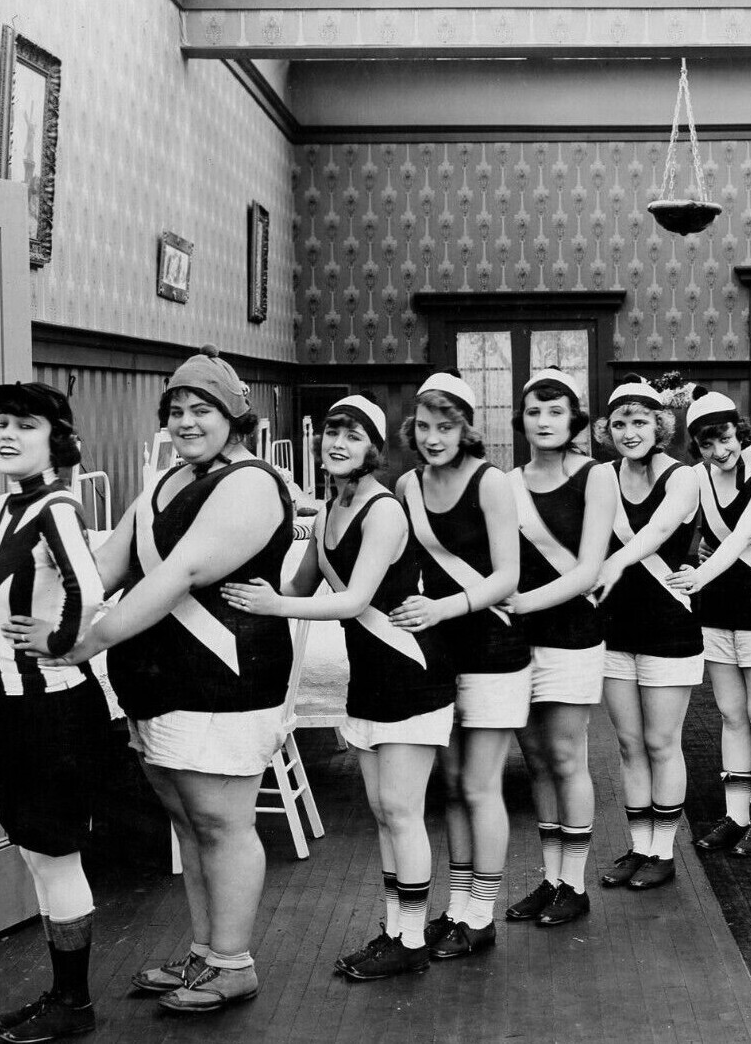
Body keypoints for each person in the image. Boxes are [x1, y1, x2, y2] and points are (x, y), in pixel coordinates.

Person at [32, 346, 294, 1015]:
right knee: (188, 821)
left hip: (225, 680)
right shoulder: (167, 483)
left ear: (233, 416)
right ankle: (206, 953)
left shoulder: (252, 482)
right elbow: (106, 566)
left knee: (222, 823)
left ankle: (234, 963)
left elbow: (182, 574)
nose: (185, 421)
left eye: (201, 409)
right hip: (159, 683)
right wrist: (50, 589)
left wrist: (90, 640)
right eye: (175, 410)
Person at [222, 395, 455, 980]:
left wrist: (274, 606)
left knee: (402, 811)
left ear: (373, 448)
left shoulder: (384, 510)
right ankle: (395, 930)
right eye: (331, 432)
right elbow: (296, 586)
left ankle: (412, 939)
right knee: (383, 813)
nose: (338, 443)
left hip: (410, 674)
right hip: (368, 680)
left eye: (352, 434)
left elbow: (352, 600)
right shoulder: (327, 511)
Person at [0, 381, 106, 1043]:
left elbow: (90, 589)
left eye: (25, 425)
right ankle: (61, 993)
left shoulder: (56, 506)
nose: (7, 434)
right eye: (0, 423)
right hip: (11, 703)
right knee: (35, 851)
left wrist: (57, 642)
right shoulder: (2, 507)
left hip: (54, 709)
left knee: (55, 855)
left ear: (56, 439)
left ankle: (74, 1003)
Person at [391, 371, 525, 955]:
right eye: (424, 426)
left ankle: (482, 915)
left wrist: (442, 608)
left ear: (466, 429)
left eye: (445, 427)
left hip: (495, 649)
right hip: (439, 652)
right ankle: (456, 907)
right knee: (449, 786)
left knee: (479, 784)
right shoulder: (406, 485)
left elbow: (508, 576)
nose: (433, 438)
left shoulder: (491, 482)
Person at [505, 368, 616, 926]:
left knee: (568, 757)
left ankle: (574, 884)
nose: (544, 421)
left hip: (571, 635)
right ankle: (550, 879)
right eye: (534, 411)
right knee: (536, 762)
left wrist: (520, 603)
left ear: (575, 419)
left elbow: (590, 569)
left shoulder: (596, 476)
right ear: (521, 421)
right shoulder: (507, 483)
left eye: (555, 411)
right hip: (516, 642)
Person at [675, 391, 751, 857]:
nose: (719, 451)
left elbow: (743, 536)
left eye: (725, 438)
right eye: (707, 444)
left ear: (740, 431)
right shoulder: (695, 476)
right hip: (717, 611)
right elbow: (671, 526)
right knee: (731, 714)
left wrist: (699, 574)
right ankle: (736, 815)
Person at [594, 377, 703, 891]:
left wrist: (614, 562)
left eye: (640, 422)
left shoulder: (683, 477)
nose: (629, 432)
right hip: (614, 627)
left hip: (668, 625)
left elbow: (658, 531)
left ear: (659, 426)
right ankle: (639, 847)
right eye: (619, 423)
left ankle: (663, 851)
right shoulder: (601, 477)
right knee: (629, 745)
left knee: (661, 742)